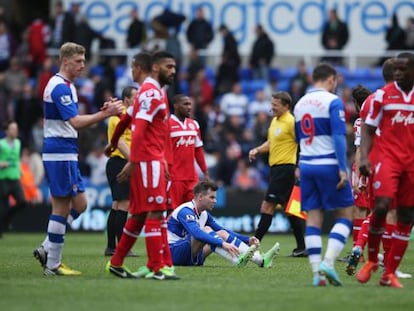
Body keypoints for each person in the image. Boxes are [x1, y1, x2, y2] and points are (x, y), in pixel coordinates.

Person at [32, 42, 124, 276]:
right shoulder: (60, 87)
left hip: (65, 151)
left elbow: (74, 120)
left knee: (80, 204)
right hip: (60, 152)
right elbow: (75, 123)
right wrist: (105, 114)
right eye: (79, 61)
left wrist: (102, 111)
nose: (83, 65)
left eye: (84, 61)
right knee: (62, 207)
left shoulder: (67, 86)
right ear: (65, 61)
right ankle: (52, 264)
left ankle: (46, 247)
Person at [105, 51, 179, 280]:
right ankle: (157, 268)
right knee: (156, 213)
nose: (173, 71)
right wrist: (134, 161)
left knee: (138, 215)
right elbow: (139, 129)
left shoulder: (150, 93)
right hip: (148, 162)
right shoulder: (151, 93)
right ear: (154, 67)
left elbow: (126, 119)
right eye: (169, 66)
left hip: (150, 161)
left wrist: (114, 142)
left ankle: (116, 262)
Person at [293, 63, 354, 286]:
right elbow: (338, 137)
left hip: (307, 164)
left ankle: (317, 273)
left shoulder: (299, 104)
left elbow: (298, 138)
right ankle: (329, 261)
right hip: (328, 163)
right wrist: (342, 168)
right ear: (330, 79)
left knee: (314, 217)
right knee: (346, 215)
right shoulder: (332, 101)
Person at [356, 52, 414, 288]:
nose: (398, 73)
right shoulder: (381, 96)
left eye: (403, 69)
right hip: (386, 160)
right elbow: (367, 129)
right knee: (380, 206)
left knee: (406, 215)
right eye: (395, 69)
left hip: (410, 163)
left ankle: (389, 272)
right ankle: (371, 260)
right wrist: (364, 158)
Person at [168, 180, 280, 267]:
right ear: (201, 197)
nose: (215, 201)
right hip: (173, 254)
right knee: (206, 230)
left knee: (220, 232)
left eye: (215, 197)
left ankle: (260, 260)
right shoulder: (185, 211)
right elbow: (196, 234)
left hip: (190, 255)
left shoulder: (204, 214)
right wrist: (222, 244)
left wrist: (247, 239)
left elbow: (223, 231)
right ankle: (236, 259)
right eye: (211, 197)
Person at [248, 92, 306, 257]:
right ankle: (302, 247)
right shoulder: (275, 121)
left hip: (285, 169)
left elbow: (302, 142)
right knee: (290, 210)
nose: (271, 107)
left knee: (267, 206)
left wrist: (299, 166)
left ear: (286, 106)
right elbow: (272, 143)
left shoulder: (291, 122)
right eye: (272, 103)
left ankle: (253, 244)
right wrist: (257, 150)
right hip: (276, 170)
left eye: (275, 104)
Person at [104, 86, 138, 257]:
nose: (138, 100)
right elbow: (120, 143)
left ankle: (112, 247)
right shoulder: (118, 118)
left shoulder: (129, 118)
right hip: (121, 163)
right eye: (135, 97)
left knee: (117, 205)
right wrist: (134, 162)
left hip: (120, 162)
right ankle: (122, 248)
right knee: (123, 204)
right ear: (126, 100)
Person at [167, 94, 209, 210]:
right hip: (174, 177)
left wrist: (205, 171)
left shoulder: (194, 124)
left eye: (190, 104)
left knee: (194, 209)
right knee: (174, 212)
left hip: (192, 178)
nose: (189, 107)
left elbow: (198, 150)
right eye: (185, 104)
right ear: (176, 106)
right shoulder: (167, 124)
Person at [0, 121, 27, 237]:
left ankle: (6, 219)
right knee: (2, 206)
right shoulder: (1, 144)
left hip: (15, 177)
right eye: (12, 129)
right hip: (3, 178)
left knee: (22, 202)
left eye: (16, 128)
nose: (15, 131)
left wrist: (20, 169)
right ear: (6, 131)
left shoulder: (18, 143)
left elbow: (16, 159)